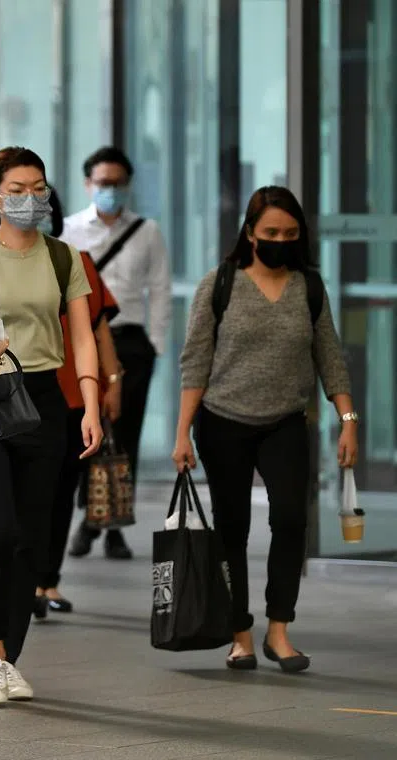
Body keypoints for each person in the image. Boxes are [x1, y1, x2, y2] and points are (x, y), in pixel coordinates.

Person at [174, 186, 356, 673]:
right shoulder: (220, 284)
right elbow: (195, 363)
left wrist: (348, 422)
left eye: (290, 233)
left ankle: (279, 630)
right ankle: (240, 635)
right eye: (271, 232)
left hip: (286, 423)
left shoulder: (309, 287)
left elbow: (331, 359)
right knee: (232, 528)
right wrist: (181, 434)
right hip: (222, 423)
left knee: (291, 520)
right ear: (250, 233)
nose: (281, 240)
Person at [0, 146, 102, 705]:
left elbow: (83, 337)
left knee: (33, 539)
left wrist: (90, 405)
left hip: (43, 398)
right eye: (16, 189)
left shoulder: (66, 259)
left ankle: (7, 658)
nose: (30, 198)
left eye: (38, 188)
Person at [61, 145, 172, 560]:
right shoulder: (69, 231)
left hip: (130, 341)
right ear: (88, 184)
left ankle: (113, 528)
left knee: (125, 437)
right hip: (84, 341)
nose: (111, 190)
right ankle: (89, 516)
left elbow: (160, 290)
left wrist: (155, 345)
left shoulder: (147, 231)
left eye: (118, 184)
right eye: (103, 183)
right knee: (87, 431)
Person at [36, 188, 122, 617]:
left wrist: (113, 383)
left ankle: (47, 581)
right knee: (26, 496)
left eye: (42, 201)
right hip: (17, 396)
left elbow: (100, 329)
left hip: (72, 396)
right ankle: (25, 577)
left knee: (61, 492)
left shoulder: (76, 261)